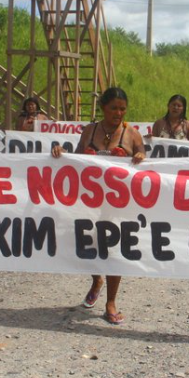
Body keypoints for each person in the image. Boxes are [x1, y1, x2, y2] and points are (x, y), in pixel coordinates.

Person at [51, 87, 145, 325]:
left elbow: (144, 157)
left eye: (123, 108)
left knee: (113, 250)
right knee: (84, 245)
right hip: (90, 202)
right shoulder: (89, 130)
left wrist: (141, 157)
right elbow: (77, 158)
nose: (119, 112)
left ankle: (111, 302)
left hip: (118, 204)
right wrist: (61, 153)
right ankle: (96, 280)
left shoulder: (132, 134)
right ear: (103, 107)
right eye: (114, 108)